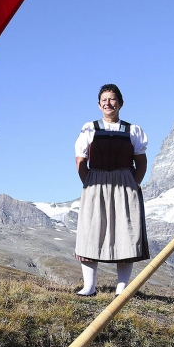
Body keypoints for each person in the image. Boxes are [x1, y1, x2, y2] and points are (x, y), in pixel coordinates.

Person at [74, 84, 149, 296]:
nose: (108, 103)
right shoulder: (89, 128)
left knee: (126, 231)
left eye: (112, 99)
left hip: (124, 183)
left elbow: (141, 161)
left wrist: (133, 183)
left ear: (120, 103)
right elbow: (80, 158)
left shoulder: (132, 130)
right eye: (104, 100)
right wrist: (88, 181)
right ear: (99, 105)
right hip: (96, 180)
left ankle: (122, 288)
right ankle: (89, 286)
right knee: (91, 230)